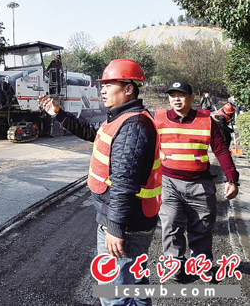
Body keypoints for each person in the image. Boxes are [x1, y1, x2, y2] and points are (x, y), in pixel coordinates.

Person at [39, 59, 161, 306]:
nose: (102, 90)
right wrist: (58, 113)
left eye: (109, 85)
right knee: (133, 284)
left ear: (128, 89)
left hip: (125, 225)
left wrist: (115, 229)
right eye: (101, 85)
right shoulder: (121, 118)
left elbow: (124, 184)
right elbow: (91, 132)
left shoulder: (133, 126)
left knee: (113, 292)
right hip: (130, 220)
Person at [155, 81, 239, 283]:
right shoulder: (157, 119)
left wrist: (232, 179)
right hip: (168, 183)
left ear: (192, 98)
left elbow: (220, 150)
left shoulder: (206, 121)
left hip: (200, 184)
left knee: (202, 227)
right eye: (172, 95)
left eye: (181, 95)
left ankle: (202, 263)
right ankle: (174, 265)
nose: (176, 99)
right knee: (171, 224)